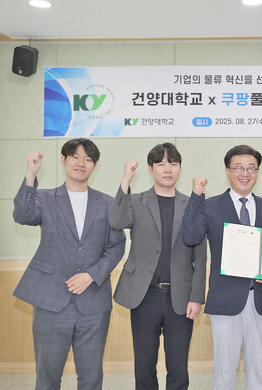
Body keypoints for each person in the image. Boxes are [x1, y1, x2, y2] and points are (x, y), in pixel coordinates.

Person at [12, 138, 126, 390]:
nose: (81, 163)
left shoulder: (108, 203)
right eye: (75, 156)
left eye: (88, 159)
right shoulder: (44, 198)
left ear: (94, 165)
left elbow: (117, 246)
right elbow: (23, 215)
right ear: (63, 160)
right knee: (47, 378)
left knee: (91, 378)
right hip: (51, 301)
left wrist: (91, 275)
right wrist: (31, 174)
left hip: (94, 303)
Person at [182, 144, 262, 390]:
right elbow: (190, 236)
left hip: (261, 298)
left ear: (257, 172)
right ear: (227, 171)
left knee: (258, 368)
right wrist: (196, 196)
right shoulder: (210, 205)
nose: (245, 173)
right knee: (225, 371)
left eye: (251, 168)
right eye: (239, 168)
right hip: (225, 299)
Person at [109, 143, 207, 390]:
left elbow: (200, 256)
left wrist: (196, 297)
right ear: (150, 169)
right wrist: (126, 179)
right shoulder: (136, 201)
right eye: (161, 164)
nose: (168, 169)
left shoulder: (192, 205)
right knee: (144, 366)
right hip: (144, 295)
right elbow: (116, 221)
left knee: (178, 368)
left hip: (180, 297)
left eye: (173, 163)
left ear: (180, 168)